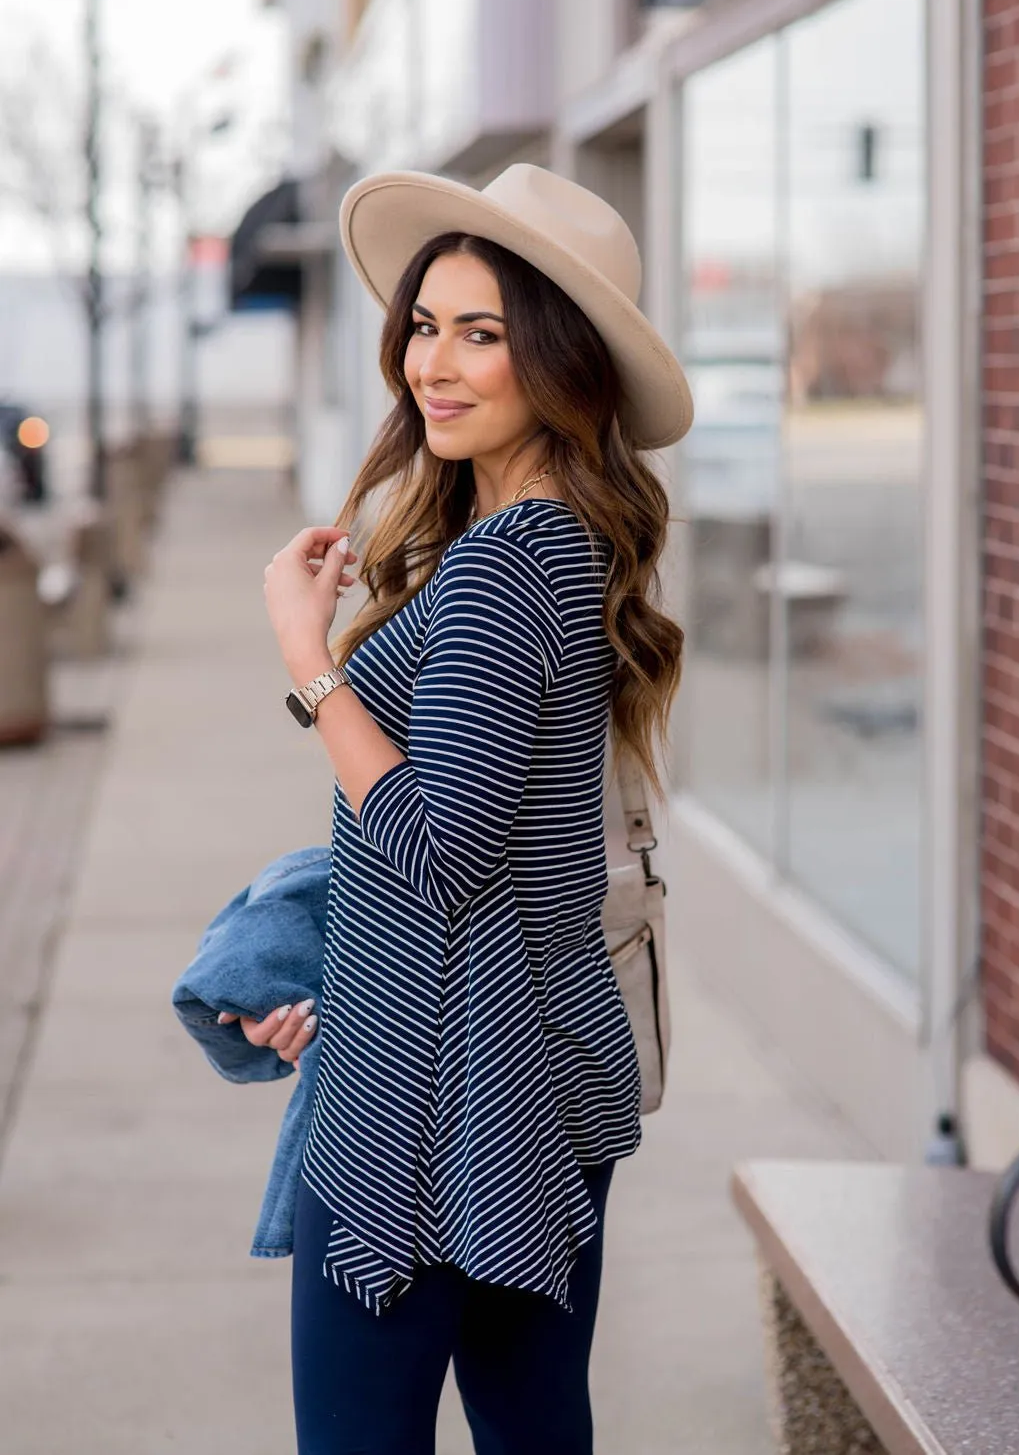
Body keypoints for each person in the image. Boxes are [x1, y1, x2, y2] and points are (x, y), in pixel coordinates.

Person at [229, 164, 692, 1454]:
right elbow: (516, 851)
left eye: (480, 334)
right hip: (521, 1076)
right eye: (426, 326)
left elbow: (435, 848)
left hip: (430, 1120)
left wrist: (306, 658)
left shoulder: (503, 563)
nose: (434, 363)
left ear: (559, 359)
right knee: (536, 1426)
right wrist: (359, 988)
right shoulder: (558, 544)